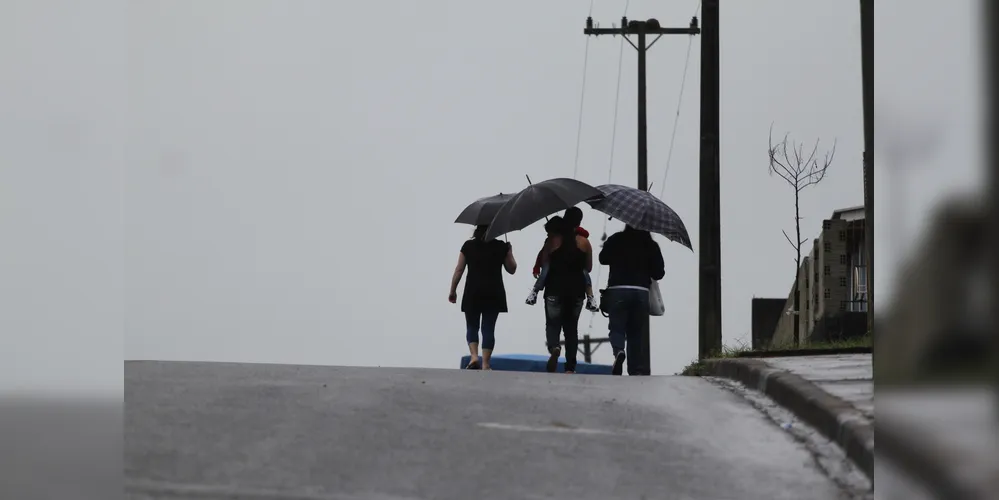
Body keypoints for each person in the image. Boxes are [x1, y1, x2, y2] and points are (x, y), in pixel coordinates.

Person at [449, 224, 517, 370]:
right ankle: (486, 363)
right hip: (494, 292)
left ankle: (474, 357)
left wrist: (452, 291)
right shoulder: (500, 246)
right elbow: (512, 269)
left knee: (472, 325)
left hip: (473, 291)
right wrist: (509, 251)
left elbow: (459, 269)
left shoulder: (468, 246)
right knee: (488, 328)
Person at [599, 225, 665, 376]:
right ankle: (635, 370)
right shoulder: (651, 245)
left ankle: (619, 351)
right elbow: (659, 273)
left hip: (618, 289)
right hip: (641, 291)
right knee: (636, 333)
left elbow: (603, 259)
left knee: (617, 327)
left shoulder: (616, 239)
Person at [541, 207, 592, 374]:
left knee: (553, 324)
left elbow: (544, 265)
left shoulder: (553, 241)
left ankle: (555, 347)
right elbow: (588, 268)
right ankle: (570, 367)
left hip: (554, 289)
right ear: (579, 222)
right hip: (576, 291)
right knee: (571, 329)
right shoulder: (584, 242)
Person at [526, 214, 598, 312]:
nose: (548, 235)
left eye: (549, 233)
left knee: (581, 270)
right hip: (571, 283)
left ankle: (590, 296)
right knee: (582, 271)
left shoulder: (569, 236)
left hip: (559, 282)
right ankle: (535, 290)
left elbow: (584, 232)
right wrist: (537, 266)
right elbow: (542, 253)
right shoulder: (552, 240)